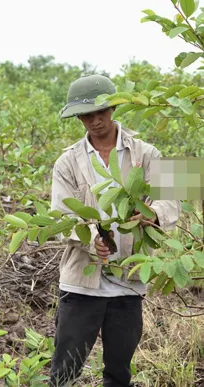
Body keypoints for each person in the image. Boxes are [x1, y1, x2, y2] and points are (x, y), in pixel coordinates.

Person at [49, 74, 180, 387]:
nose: (95, 121)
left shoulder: (149, 154)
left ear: (113, 109)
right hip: (82, 284)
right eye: (86, 115)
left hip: (129, 283)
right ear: (78, 117)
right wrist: (91, 241)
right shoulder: (67, 162)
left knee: (119, 374)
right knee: (64, 373)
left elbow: (173, 202)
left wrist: (153, 215)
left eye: (101, 112)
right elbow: (59, 218)